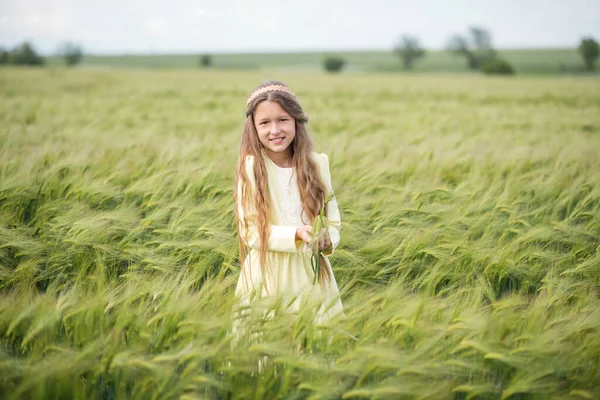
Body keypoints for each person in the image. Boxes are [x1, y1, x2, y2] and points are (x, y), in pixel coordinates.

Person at [233, 80, 343, 323]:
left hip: (313, 273)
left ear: (296, 120)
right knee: (268, 347)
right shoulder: (251, 168)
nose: (275, 130)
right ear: (253, 127)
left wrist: (325, 239)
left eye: (283, 119)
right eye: (265, 123)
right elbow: (250, 231)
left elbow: (333, 223)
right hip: (267, 275)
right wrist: (295, 233)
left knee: (317, 346)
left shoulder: (318, 164)